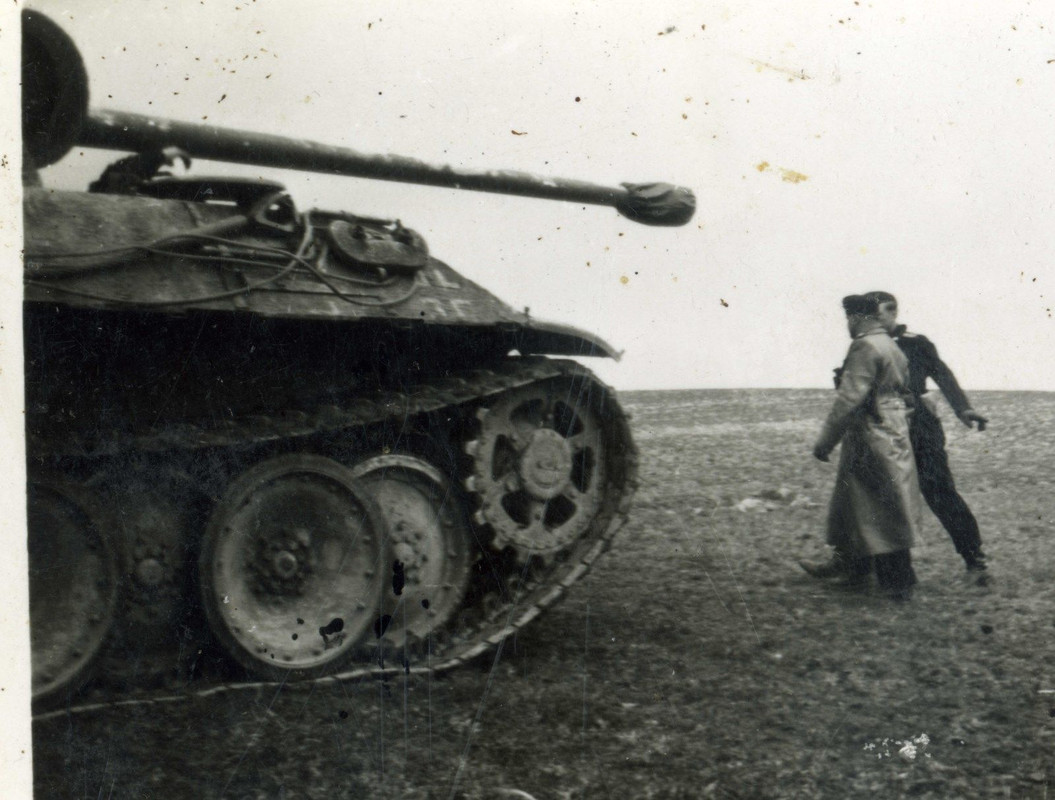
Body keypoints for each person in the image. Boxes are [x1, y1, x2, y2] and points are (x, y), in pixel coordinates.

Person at [862, 291, 990, 575]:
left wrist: (963, 409)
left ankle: (974, 555)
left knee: (940, 491)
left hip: (921, 427)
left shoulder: (916, 343)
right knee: (881, 498)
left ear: (893, 313)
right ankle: (865, 568)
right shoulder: (865, 346)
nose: (872, 319)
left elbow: (942, 374)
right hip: (883, 427)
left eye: (878, 313)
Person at [807, 294, 923, 600]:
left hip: (870, 433)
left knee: (879, 508)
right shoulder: (890, 344)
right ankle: (856, 571)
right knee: (877, 504)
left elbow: (849, 400)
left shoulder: (865, 345)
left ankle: (896, 583)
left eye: (849, 318)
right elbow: (905, 391)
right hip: (891, 428)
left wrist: (825, 441)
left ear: (858, 317)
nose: (847, 324)